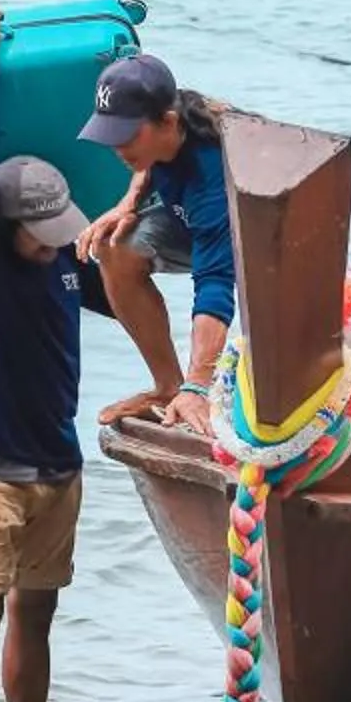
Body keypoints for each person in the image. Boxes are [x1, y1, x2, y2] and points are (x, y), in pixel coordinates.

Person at [0, 7, 118, 702]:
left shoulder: (70, 264)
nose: (53, 246)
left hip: (56, 465)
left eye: (59, 233)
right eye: (39, 236)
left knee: (37, 611)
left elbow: (134, 287)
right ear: (2, 226)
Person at [75, 51, 235, 436]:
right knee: (115, 247)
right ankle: (167, 388)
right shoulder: (171, 122)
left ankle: (190, 389)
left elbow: (215, 285)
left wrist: (199, 386)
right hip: (184, 218)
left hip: (261, 242)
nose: (117, 148)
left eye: (126, 136)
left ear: (168, 122)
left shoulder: (212, 173)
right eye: (110, 134)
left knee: (312, 377)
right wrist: (127, 204)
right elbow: (147, 162)